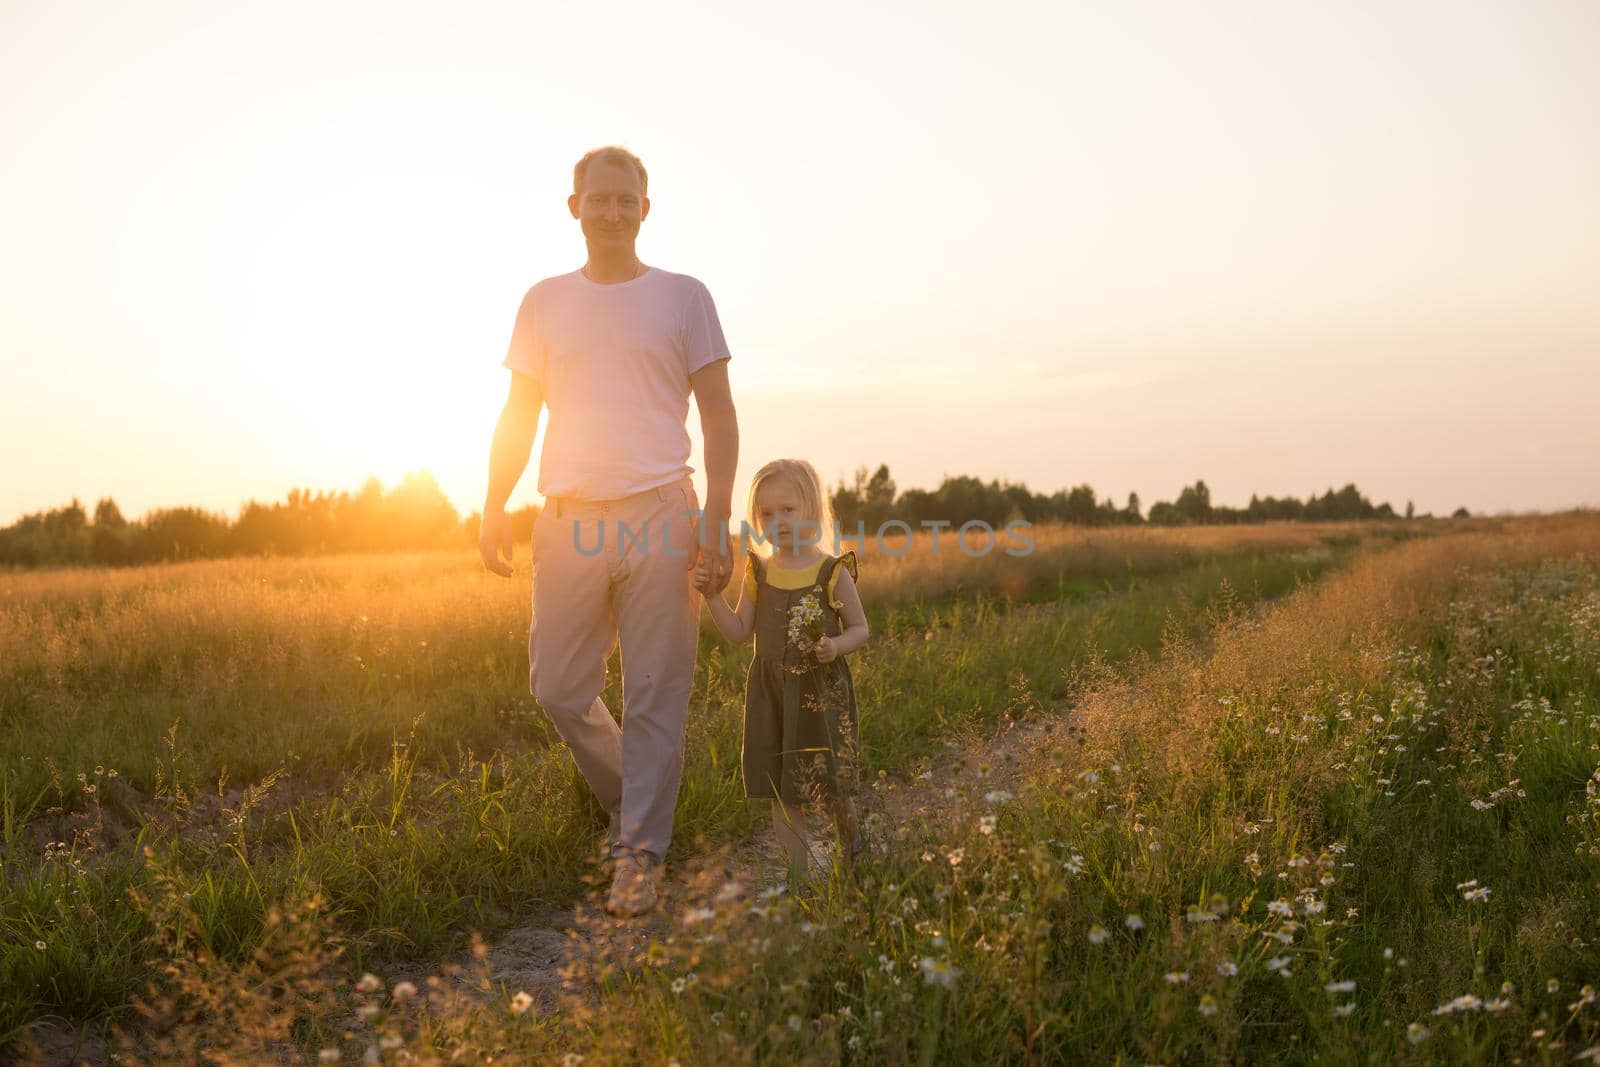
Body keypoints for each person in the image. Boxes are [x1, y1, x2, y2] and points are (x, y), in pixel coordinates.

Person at [479, 145, 740, 918]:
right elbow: (519, 413)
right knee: (557, 686)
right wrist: (494, 501)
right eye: (599, 199)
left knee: (659, 692)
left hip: (664, 510)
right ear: (574, 207)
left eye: (627, 200)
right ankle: (639, 798)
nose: (613, 212)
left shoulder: (685, 297)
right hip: (566, 518)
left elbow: (719, 413)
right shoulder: (543, 301)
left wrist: (715, 518)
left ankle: (639, 851)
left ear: (646, 210)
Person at [696, 459, 869, 885]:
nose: (779, 521)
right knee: (781, 790)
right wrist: (713, 596)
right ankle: (798, 881)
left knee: (830, 787)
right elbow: (739, 631)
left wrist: (835, 647)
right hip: (771, 695)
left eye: (788, 510)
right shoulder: (760, 571)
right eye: (767, 514)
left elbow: (861, 629)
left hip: (818, 693)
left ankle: (855, 855)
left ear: (811, 508)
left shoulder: (832, 571)